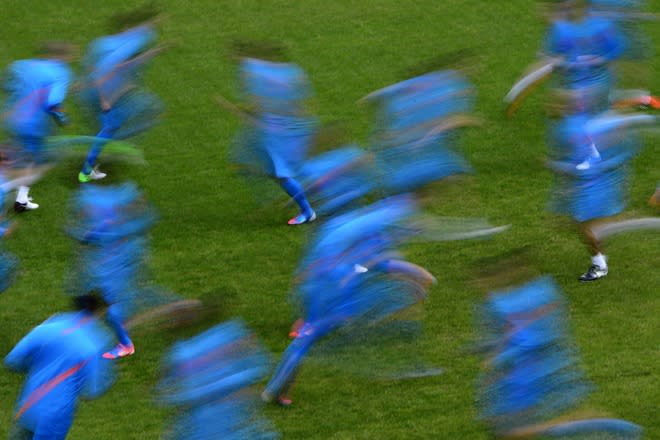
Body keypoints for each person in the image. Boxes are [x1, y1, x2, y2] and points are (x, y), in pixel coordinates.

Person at [229, 40, 317, 225]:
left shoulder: (253, 71)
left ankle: (307, 211)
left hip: (274, 130)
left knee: (279, 173)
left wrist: (242, 110)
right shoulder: (293, 72)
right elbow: (302, 105)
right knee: (279, 169)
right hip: (294, 126)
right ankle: (304, 195)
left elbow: (257, 105)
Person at [4, 293, 114, 440]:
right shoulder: (96, 345)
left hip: (28, 407)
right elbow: (92, 391)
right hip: (56, 418)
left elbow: (12, 360)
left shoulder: (49, 326)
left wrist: (36, 366)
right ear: (98, 311)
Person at [77, 6, 164, 182]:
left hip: (100, 94)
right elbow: (106, 73)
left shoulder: (104, 44)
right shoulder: (123, 49)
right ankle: (87, 170)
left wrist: (153, 52)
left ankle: (94, 163)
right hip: (107, 97)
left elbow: (98, 68)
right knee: (109, 132)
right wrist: (104, 100)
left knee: (106, 131)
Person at [2, 42, 74, 211]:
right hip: (33, 125)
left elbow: (6, 84)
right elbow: (53, 102)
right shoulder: (61, 73)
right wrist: (62, 119)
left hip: (13, 117)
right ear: (63, 57)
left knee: (18, 154)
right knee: (34, 163)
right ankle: (10, 192)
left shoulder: (23, 65)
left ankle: (22, 199)